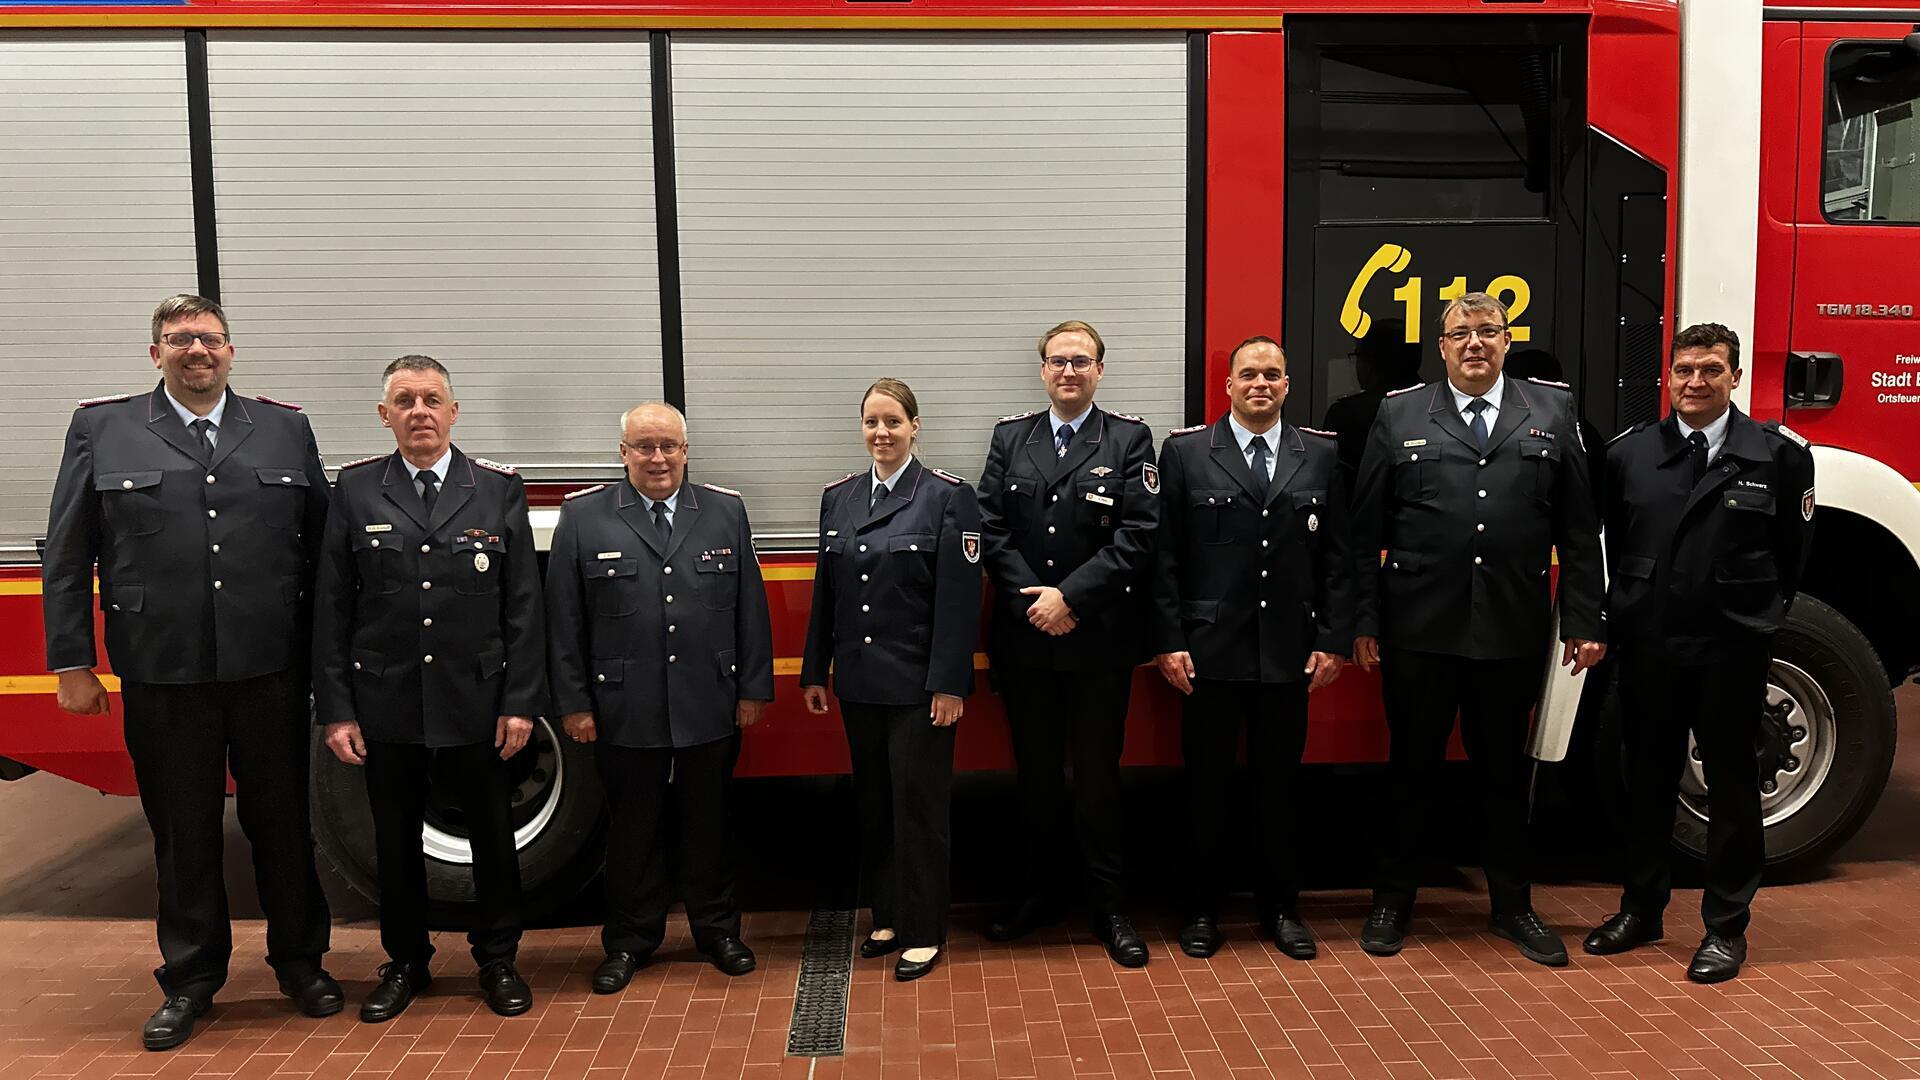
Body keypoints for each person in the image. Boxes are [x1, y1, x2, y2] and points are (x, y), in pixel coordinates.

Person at [42, 294, 339, 1051]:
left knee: (284, 826)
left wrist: (329, 663)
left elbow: (324, 553)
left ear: (232, 352)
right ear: (156, 356)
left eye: (209, 339)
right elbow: (69, 550)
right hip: (163, 671)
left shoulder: (283, 427)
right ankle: (191, 981)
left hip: (270, 667)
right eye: (179, 340)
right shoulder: (102, 428)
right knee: (182, 832)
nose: (195, 351)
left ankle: (301, 965)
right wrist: (72, 661)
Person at [1350, 293, 1606, 967]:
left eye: (1487, 331)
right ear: (1440, 346)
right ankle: (1392, 900)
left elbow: (1579, 528)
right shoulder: (1400, 411)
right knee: (1411, 768)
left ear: (1507, 339)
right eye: (1460, 333)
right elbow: (1363, 528)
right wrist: (1364, 620)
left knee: (1502, 773)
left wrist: (1584, 616)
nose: (1474, 343)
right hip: (1417, 628)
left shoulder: (1551, 410)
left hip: (1509, 629)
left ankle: (1512, 904)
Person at [312, 355, 545, 1021]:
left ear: (453, 412)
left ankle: (498, 959)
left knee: (494, 836)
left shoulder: (497, 488)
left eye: (432, 399)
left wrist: (521, 701)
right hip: (387, 701)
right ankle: (406, 961)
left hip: (478, 698)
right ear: (385, 415)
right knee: (394, 841)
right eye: (405, 400)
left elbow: (523, 604)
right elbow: (333, 608)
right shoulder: (355, 491)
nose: (420, 411)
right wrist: (336, 709)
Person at [1585, 323, 1814, 983]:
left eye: (1711, 369)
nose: (1695, 381)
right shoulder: (1629, 455)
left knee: (1733, 786)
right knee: (1647, 781)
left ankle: (1725, 929)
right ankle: (1641, 908)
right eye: (1684, 369)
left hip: (1730, 646)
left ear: (1734, 377)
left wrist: (1758, 618)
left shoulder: (1778, 456)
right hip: (1650, 643)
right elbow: (1611, 543)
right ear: (1669, 377)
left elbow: (1791, 555)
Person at [545, 402, 773, 990]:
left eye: (668, 445)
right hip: (624, 704)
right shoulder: (584, 517)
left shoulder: (725, 511)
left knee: (710, 823)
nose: (657, 457)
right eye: (644, 446)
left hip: (709, 699)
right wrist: (573, 702)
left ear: (686, 450)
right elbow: (564, 620)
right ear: (623, 453)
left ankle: (718, 931)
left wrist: (752, 689)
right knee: (632, 829)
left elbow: (751, 608)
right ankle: (628, 940)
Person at [1150, 336, 1352, 960]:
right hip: (1208, 654)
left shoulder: (1319, 454)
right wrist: (1168, 640)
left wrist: (1333, 640)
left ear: (1287, 385)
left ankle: (1281, 909)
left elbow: (1338, 560)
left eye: (1272, 375)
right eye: (1248, 375)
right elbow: (1166, 559)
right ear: (1229, 386)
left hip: (1288, 653)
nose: (1260, 384)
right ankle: (1202, 910)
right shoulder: (1186, 453)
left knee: (1279, 791)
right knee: (1206, 788)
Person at [974, 319, 1157, 967]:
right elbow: (989, 527)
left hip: (1096, 642)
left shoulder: (1131, 439)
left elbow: (1138, 536)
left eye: (1082, 360)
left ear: (1100, 371)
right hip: (1028, 642)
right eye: (1058, 361)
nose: (1069, 370)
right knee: (1038, 780)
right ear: (1043, 370)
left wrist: (1069, 598)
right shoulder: (1009, 438)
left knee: (1100, 781)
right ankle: (1038, 895)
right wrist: (1037, 600)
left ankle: (1109, 906)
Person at [800, 378, 983, 981]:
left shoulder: (947, 498)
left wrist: (950, 683)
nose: (882, 433)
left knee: (920, 809)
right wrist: (813, 669)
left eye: (893, 423)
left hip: (919, 686)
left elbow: (959, 600)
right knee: (875, 803)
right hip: (858, 681)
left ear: (915, 427)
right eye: (872, 423)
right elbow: (827, 592)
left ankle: (924, 929)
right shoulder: (840, 498)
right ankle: (887, 915)